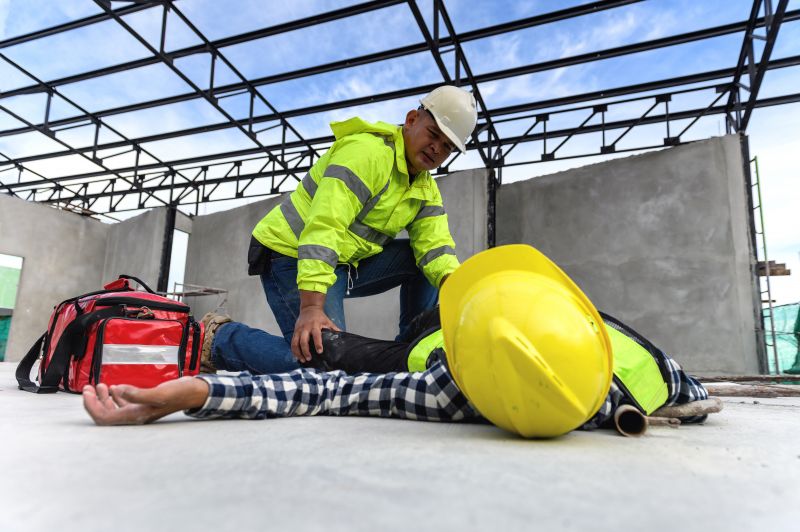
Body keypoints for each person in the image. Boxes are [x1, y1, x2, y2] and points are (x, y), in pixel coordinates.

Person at [83, 245, 711, 438]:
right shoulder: (652, 371)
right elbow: (693, 389)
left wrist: (199, 390)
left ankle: (225, 340)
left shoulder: (448, 387)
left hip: (423, 340)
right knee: (321, 336)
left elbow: (322, 395)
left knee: (324, 353)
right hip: (449, 317)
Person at [246, 85, 478, 365]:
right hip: (291, 253)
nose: (436, 149)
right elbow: (325, 225)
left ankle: (409, 354)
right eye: (433, 135)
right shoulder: (367, 153)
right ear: (412, 119)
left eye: (447, 147)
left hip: (343, 262)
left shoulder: (425, 189)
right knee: (328, 360)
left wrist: (465, 296)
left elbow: (437, 251)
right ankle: (219, 339)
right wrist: (310, 306)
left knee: (423, 264)